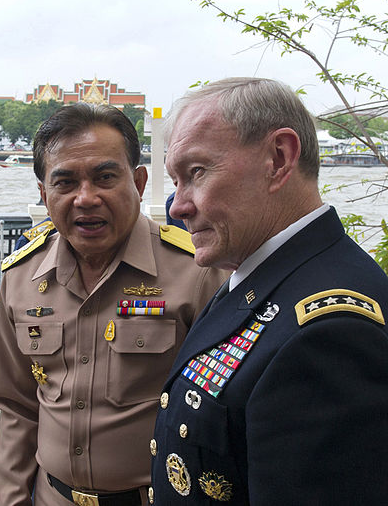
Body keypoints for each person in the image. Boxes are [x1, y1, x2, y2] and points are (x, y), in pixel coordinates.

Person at [150, 78, 388, 505]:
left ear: (278, 159)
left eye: (196, 173)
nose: (177, 206)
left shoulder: (331, 330)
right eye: (175, 180)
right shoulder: (263, 278)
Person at [0, 103, 227, 506]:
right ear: (44, 194)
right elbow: (17, 405)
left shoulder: (197, 274)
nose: (86, 198)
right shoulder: (21, 278)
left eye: (104, 177)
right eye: (65, 182)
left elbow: (220, 414)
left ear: (137, 182)